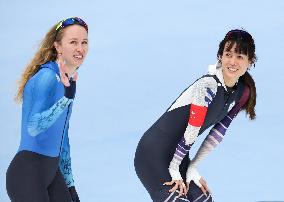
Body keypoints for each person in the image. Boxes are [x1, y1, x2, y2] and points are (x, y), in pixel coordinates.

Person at [134, 29, 257, 202]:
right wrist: (175, 169)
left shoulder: (242, 93)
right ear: (220, 56)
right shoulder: (207, 85)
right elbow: (193, 128)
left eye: (240, 57)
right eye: (228, 54)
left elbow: (217, 134)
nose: (233, 61)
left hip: (180, 157)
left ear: (250, 62)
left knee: (204, 199)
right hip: (152, 154)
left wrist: (192, 168)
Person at [6, 17, 89, 202]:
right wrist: (65, 99)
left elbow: (63, 138)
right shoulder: (47, 77)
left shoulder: (68, 81)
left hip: (52, 172)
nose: (80, 48)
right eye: (73, 42)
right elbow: (34, 127)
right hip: (28, 173)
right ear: (58, 47)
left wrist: (70, 184)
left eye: (84, 42)